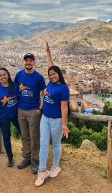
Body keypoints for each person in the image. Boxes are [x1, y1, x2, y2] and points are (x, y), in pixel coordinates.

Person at [35, 43, 70, 187]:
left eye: (54, 74)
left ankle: (56, 166)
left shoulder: (63, 88)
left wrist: (63, 124)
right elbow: (51, 66)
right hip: (45, 118)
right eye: (50, 75)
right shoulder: (50, 82)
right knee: (43, 144)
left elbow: (64, 107)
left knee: (56, 143)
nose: (52, 76)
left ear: (59, 74)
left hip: (56, 120)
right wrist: (48, 52)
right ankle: (42, 171)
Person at [14, 53, 46, 174]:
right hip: (21, 109)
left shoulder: (38, 77)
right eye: (26, 61)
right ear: (24, 62)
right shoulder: (19, 75)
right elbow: (15, 89)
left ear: (34, 63)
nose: (28, 63)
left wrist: (40, 108)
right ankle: (26, 158)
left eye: (30, 61)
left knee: (34, 137)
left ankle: (35, 161)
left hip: (33, 111)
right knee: (25, 136)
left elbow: (44, 92)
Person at [0, 68, 21, 167]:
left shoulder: (15, 86)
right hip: (3, 117)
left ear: (8, 75)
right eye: (0, 75)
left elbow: (20, 99)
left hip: (16, 115)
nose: (3, 77)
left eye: (4, 74)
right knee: (6, 137)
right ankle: (10, 157)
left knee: (24, 133)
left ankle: (27, 154)